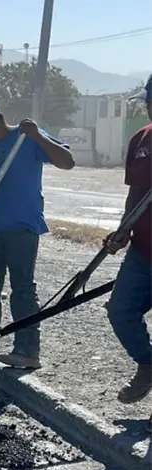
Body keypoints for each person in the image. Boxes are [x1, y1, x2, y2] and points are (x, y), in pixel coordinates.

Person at [0, 101, 74, 369]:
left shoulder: (26, 139)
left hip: (22, 228)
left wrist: (37, 135)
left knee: (22, 289)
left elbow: (67, 162)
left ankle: (26, 350)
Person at [104, 72, 152, 406]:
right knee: (121, 310)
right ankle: (148, 365)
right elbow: (136, 191)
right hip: (143, 251)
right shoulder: (141, 140)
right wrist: (123, 230)